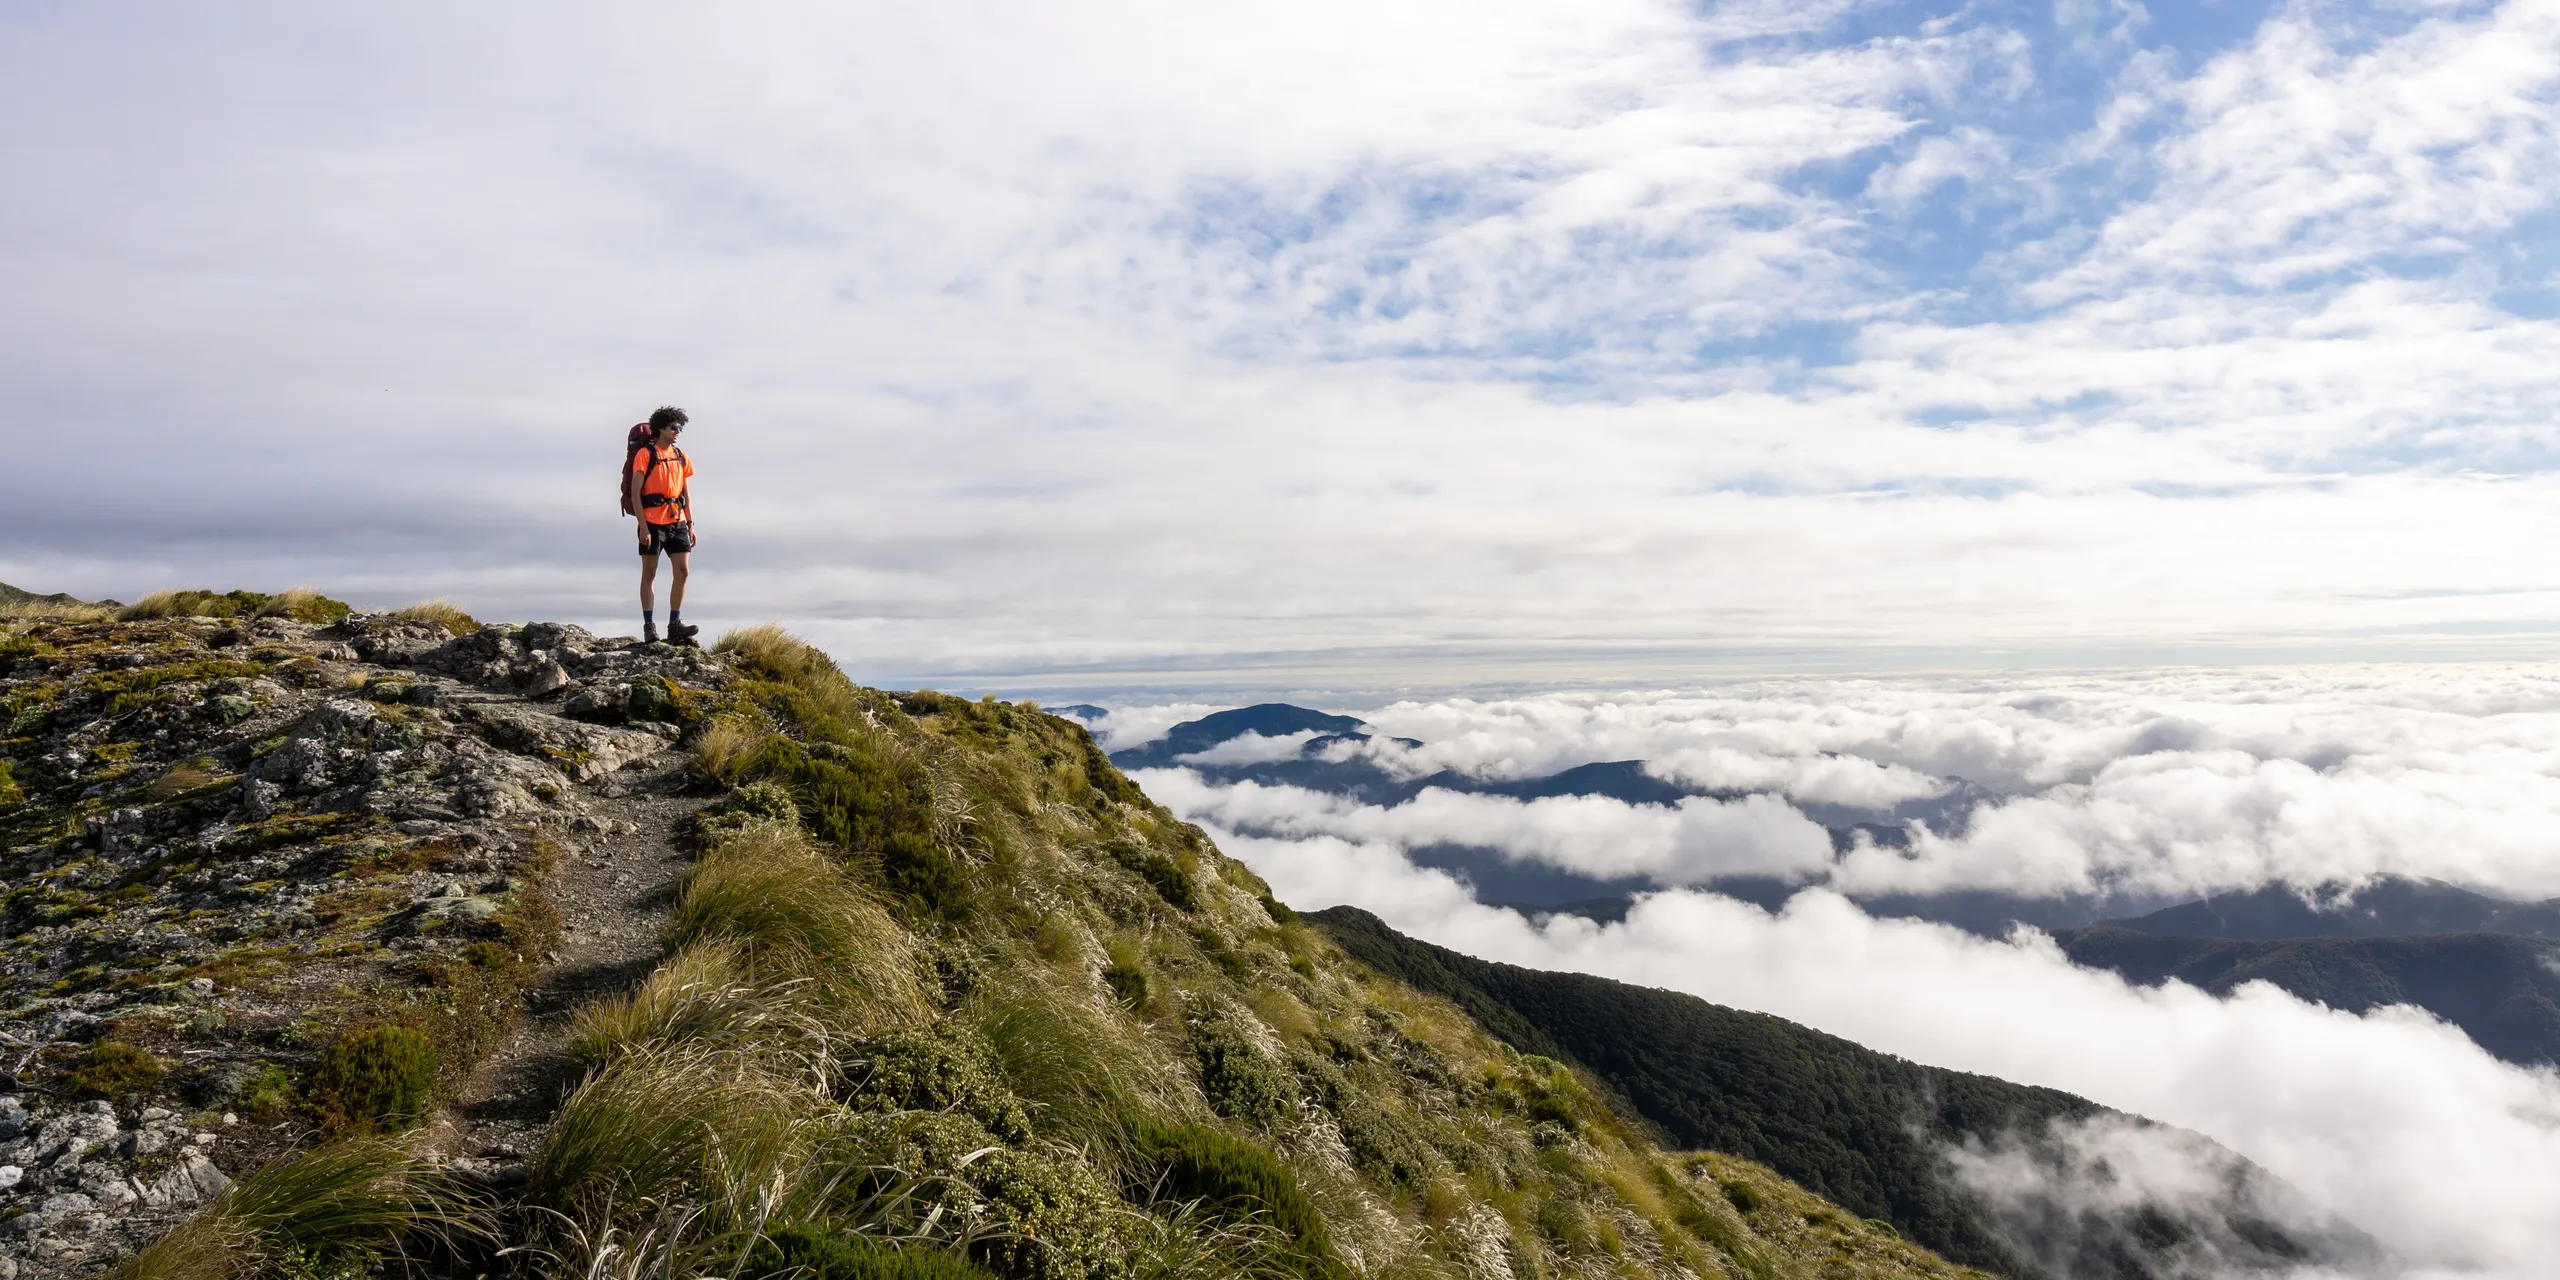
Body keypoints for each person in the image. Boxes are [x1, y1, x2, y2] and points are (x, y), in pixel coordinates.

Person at [628, 406, 698, 645]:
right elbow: (635, 493)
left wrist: (690, 523)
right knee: (650, 574)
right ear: (661, 428)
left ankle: (674, 624)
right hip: (652, 523)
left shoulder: (681, 456)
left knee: (683, 571)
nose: (677, 432)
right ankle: (649, 626)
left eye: (679, 427)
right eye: (673, 427)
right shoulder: (645, 455)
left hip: (677, 521)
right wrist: (643, 526)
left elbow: (684, 491)